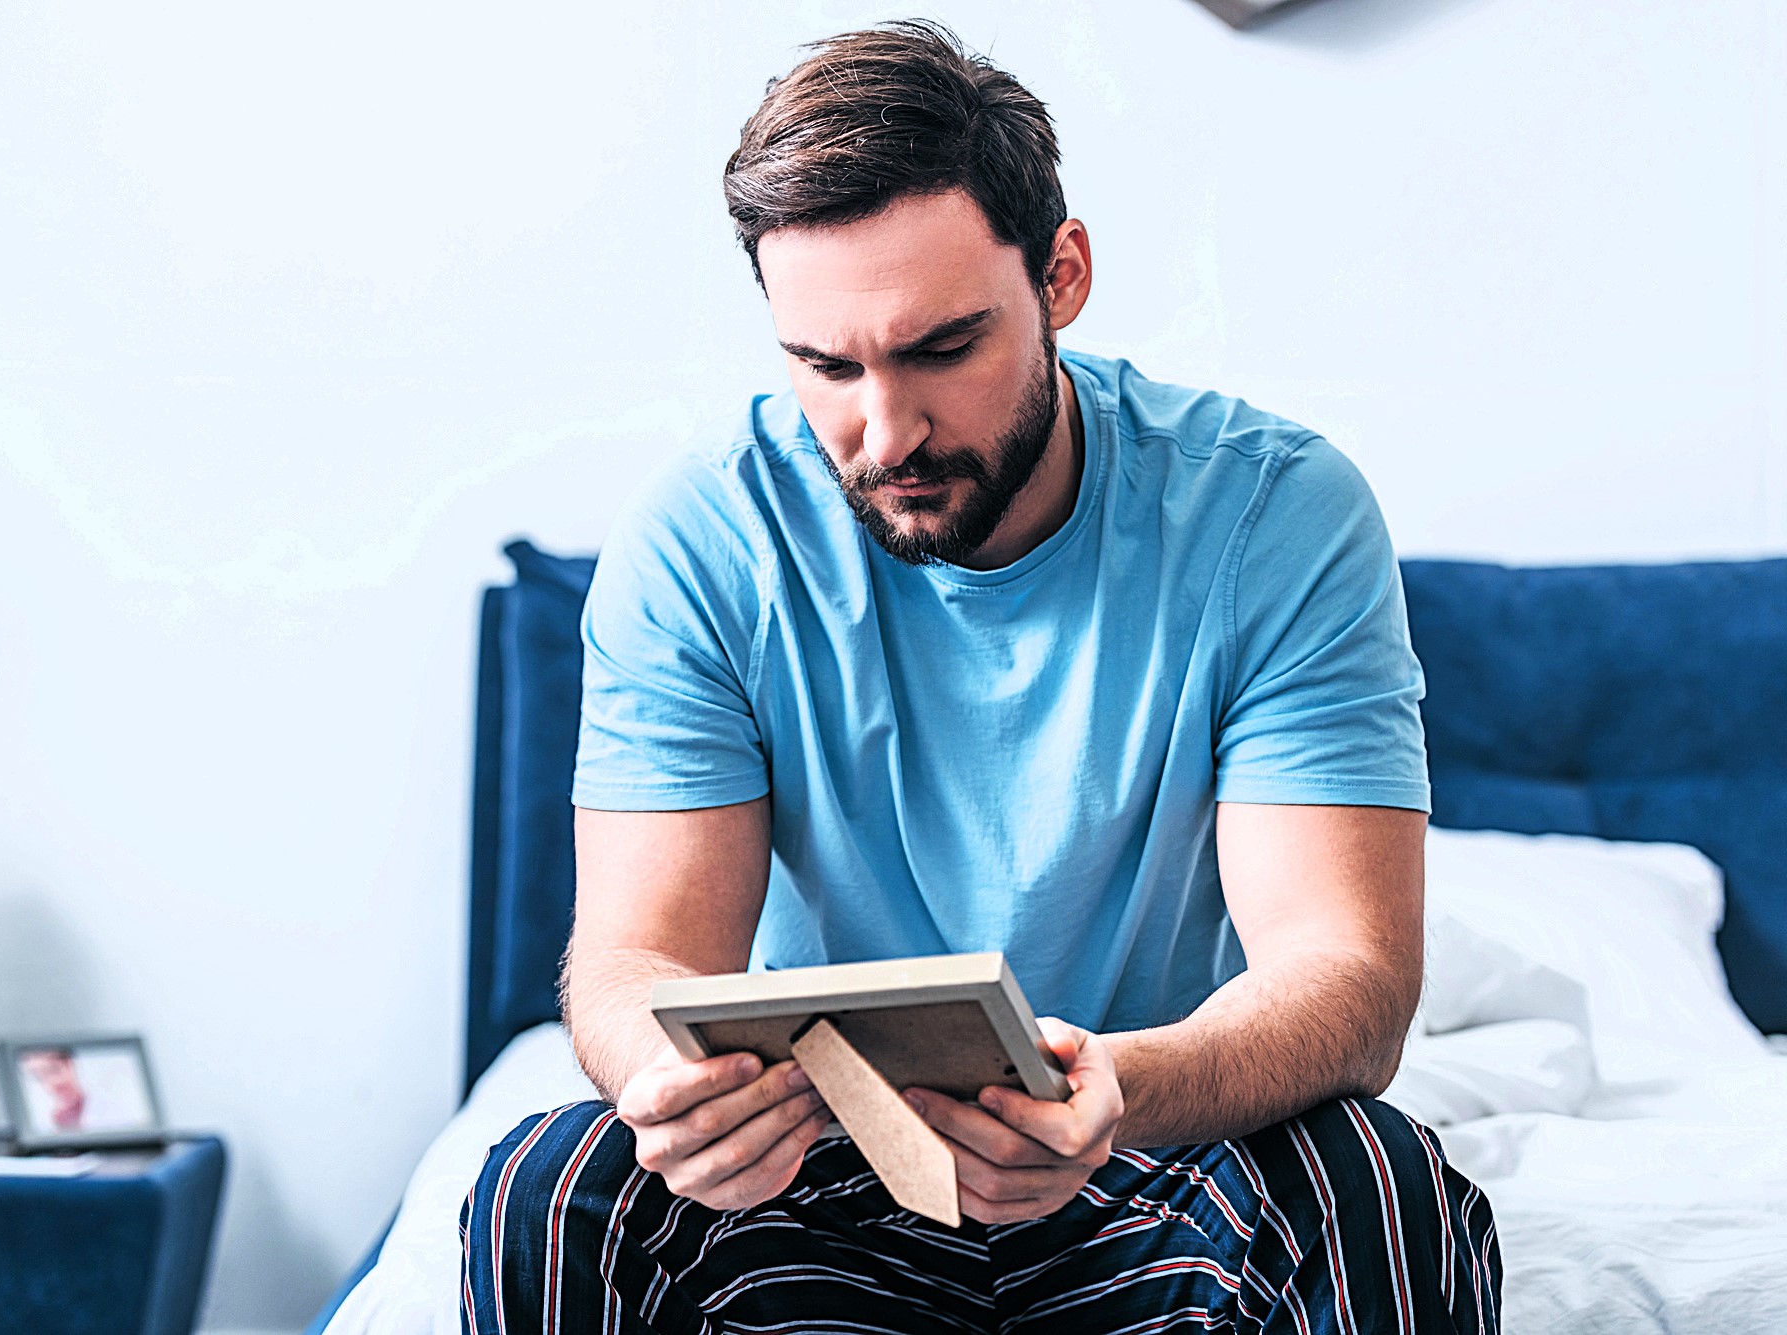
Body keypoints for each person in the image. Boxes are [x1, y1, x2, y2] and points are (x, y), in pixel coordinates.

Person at [464, 20, 1500, 1333]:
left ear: (1062, 273)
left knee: (1377, 1179)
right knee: (547, 1189)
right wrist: (672, 1094)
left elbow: (1347, 983)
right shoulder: (703, 545)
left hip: (1151, 1148)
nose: (883, 431)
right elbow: (635, 960)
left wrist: (1115, 1087)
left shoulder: (1273, 519)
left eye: (940, 350)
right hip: (813, 1179)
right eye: (825, 368)